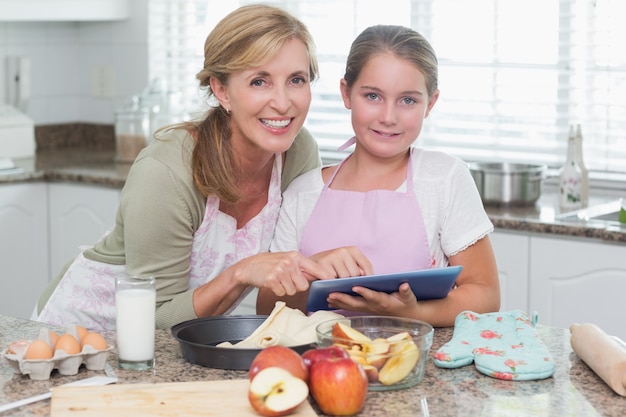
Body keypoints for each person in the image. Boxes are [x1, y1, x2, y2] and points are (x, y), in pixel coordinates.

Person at [32, 4, 332, 331]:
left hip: (179, 344)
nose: (283, 102)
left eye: (296, 80)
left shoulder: (299, 152)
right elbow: (156, 317)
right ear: (221, 91)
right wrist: (241, 273)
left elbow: (285, 278)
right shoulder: (166, 172)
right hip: (79, 333)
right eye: (259, 81)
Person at [258, 25, 500, 327]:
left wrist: (413, 313)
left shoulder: (444, 179)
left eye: (408, 100)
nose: (388, 117)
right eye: (372, 96)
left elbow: (485, 296)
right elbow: (266, 308)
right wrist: (309, 270)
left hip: (412, 360)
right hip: (320, 362)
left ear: (431, 103)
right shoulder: (303, 192)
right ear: (346, 93)